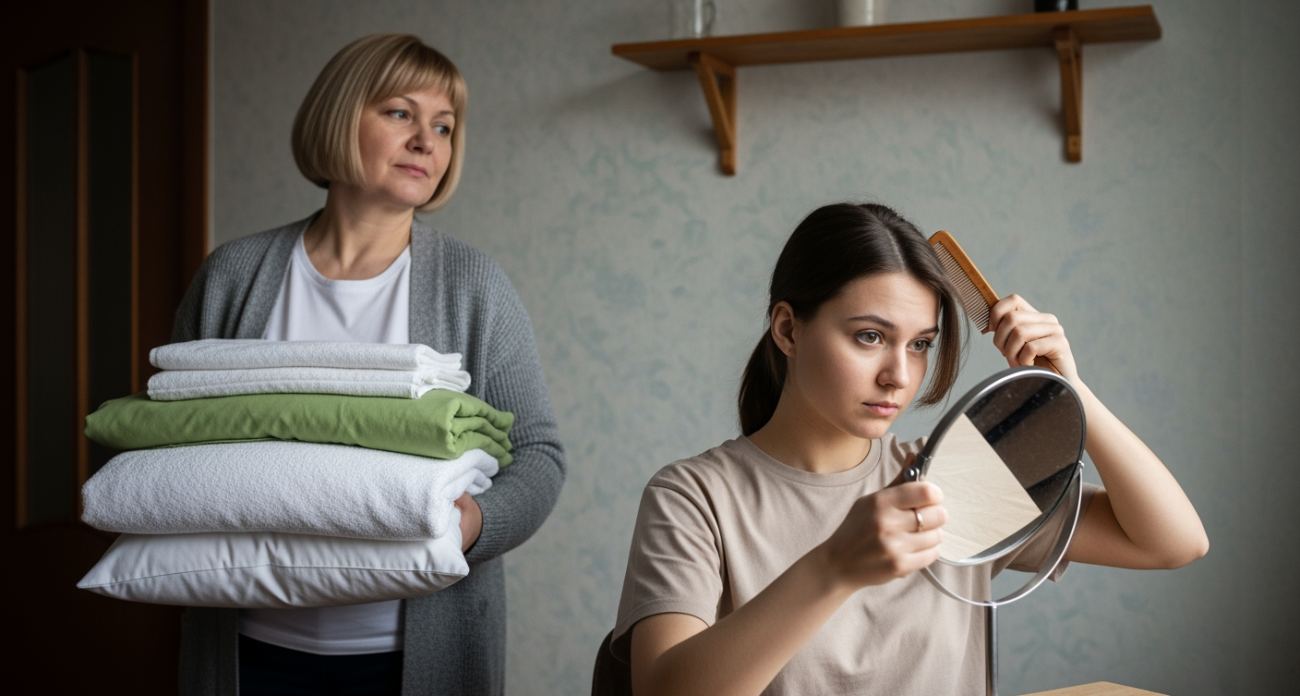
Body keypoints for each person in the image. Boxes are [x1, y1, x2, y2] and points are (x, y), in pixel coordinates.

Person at [610, 203, 1207, 695]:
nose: (899, 374)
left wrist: (1071, 388)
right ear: (789, 329)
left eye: (920, 343)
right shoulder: (693, 497)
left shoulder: (953, 477)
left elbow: (1171, 542)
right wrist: (835, 567)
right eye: (869, 337)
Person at [171, 34, 565, 696]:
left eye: (444, 126)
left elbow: (538, 454)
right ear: (339, 116)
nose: (427, 142)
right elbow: (170, 439)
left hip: (409, 660)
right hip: (251, 653)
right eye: (400, 113)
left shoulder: (474, 285)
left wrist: (471, 525)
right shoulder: (233, 276)